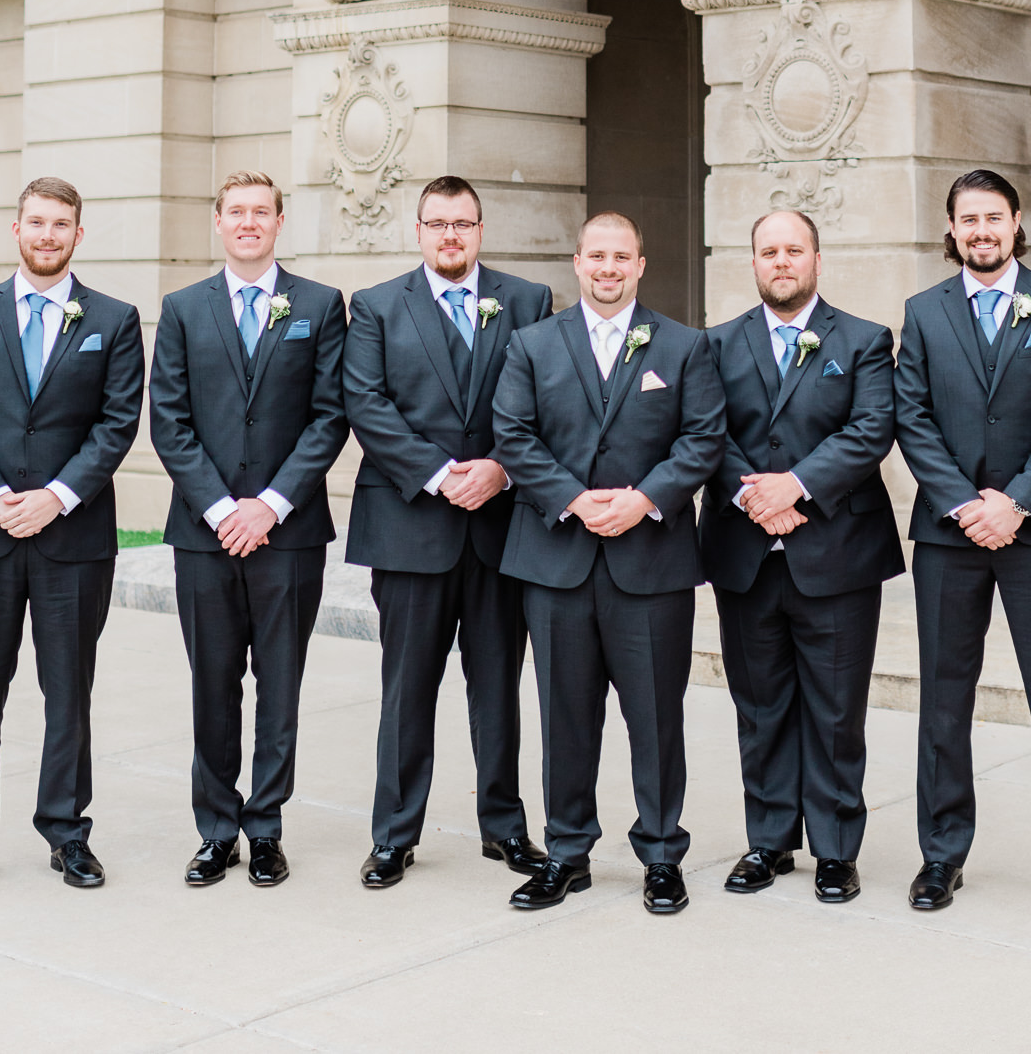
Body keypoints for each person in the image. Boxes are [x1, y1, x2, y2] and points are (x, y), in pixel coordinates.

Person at [894, 167, 1031, 921]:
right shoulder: (922, 313)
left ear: (1017, 222)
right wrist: (964, 505)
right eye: (968, 219)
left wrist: (1016, 503)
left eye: (994, 217)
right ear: (950, 229)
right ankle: (942, 853)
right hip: (949, 538)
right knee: (944, 702)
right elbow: (911, 418)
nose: (981, 231)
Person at [0, 178, 144, 894]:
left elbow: (116, 423)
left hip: (71, 539)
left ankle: (67, 833)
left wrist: (55, 497)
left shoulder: (114, 318)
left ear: (80, 233)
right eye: (37, 222)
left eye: (62, 224)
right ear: (15, 228)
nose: (48, 235)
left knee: (67, 692)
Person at [492, 211, 725, 916]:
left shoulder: (684, 347)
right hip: (557, 559)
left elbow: (702, 437)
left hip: (650, 562)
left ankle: (660, 853)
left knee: (656, 716)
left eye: (622, 256)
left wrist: (645, 500)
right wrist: (572, 499)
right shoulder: (532, 345)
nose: (608, 268)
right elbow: (514, 432)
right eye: (597, 256)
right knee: (564, 713)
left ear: (641, 265)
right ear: (577, 261)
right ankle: (567, 852)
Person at [343, 175, 553, 889]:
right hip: (409, 526)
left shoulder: (526, 301)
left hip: (501, 529)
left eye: (463, 223)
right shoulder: (375, 307)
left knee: (498, 685)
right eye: (438, 224)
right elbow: (366, 404)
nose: (451, 236)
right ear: (419, 231)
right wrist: (440, 475)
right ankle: (395, 835)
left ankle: (505, 827)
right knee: (408, 689)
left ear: (481, 230)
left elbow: (541, 400)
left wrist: (500, 468)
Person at [149, 171, 347, 889]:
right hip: (204, 535)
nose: (248, 222)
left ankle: (265, 827)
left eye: (261, 212)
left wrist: (269, 504)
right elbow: (167, 421)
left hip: (287, 534)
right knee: (213, 684)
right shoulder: (180, 308)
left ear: (279, 222)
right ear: (217, 221)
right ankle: (214, 830)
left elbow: (330, 416)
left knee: (281, 686)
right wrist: (221, 508)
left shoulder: (320, 306)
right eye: (236, 212)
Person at [701, 209, 902, 905]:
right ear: (753, 263)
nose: (781, 261)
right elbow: (705, 432)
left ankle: (837, 850)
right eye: (768, 251)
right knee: (760, 707)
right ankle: (769, 842)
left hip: (839, 555)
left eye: (793, 249)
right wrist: (758, 499)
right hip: (745, 555)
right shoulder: (716, 345)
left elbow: (872, 427)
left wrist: (797, 487)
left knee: (836, 710)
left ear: (817, 258)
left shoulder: (866, 341)